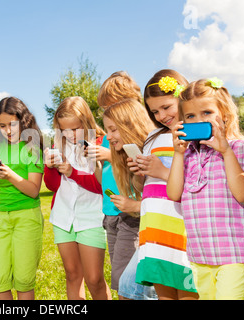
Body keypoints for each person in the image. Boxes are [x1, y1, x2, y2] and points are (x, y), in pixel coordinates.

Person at [167, 78, 244, 300]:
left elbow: (242, 193)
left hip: (233, 253)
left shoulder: (240, 146)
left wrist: (226, 152)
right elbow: (173, 193)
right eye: (190, 116)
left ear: (224, 114)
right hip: (200, 255)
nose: (199, 120)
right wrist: (178, 154)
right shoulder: (187, 154)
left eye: (207, 112)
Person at [128, 69, 198, 300]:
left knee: (188, 292)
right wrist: (140, 174)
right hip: (155, 232)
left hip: (183, 232)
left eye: (166, 107)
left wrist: (163, 172)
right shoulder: (153, 138)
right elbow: (144, 187)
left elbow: (204, 184)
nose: (161, 116)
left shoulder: (197, 136)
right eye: (154, 111)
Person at [90, 71, 157, 300]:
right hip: (115, 210)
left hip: (134, 214)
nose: (108, 113)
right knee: (123, 280)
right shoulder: (115, 139)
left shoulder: (147, 142)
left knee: (132, 284)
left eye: (112, 106)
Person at [44, 96, 111, 300]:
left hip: (92, 217)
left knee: (94, 279)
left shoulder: (100, 143)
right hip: (63, 218)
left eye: (75, 128)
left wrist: (72, 172)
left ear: (86, 121)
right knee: (72, 275)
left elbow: (103, 186)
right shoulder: (58, 145)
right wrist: (50, 167)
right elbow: (52, 185)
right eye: (64, 129)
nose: (70, 134)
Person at [0, 96, 44, 300]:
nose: (7, 130)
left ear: (23, 121)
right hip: (1, 218)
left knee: (23, 280)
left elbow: (34, 190)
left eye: (12, 124)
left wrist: (10, 174)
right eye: (2, 125)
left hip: (27, 217)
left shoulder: (32, 147)